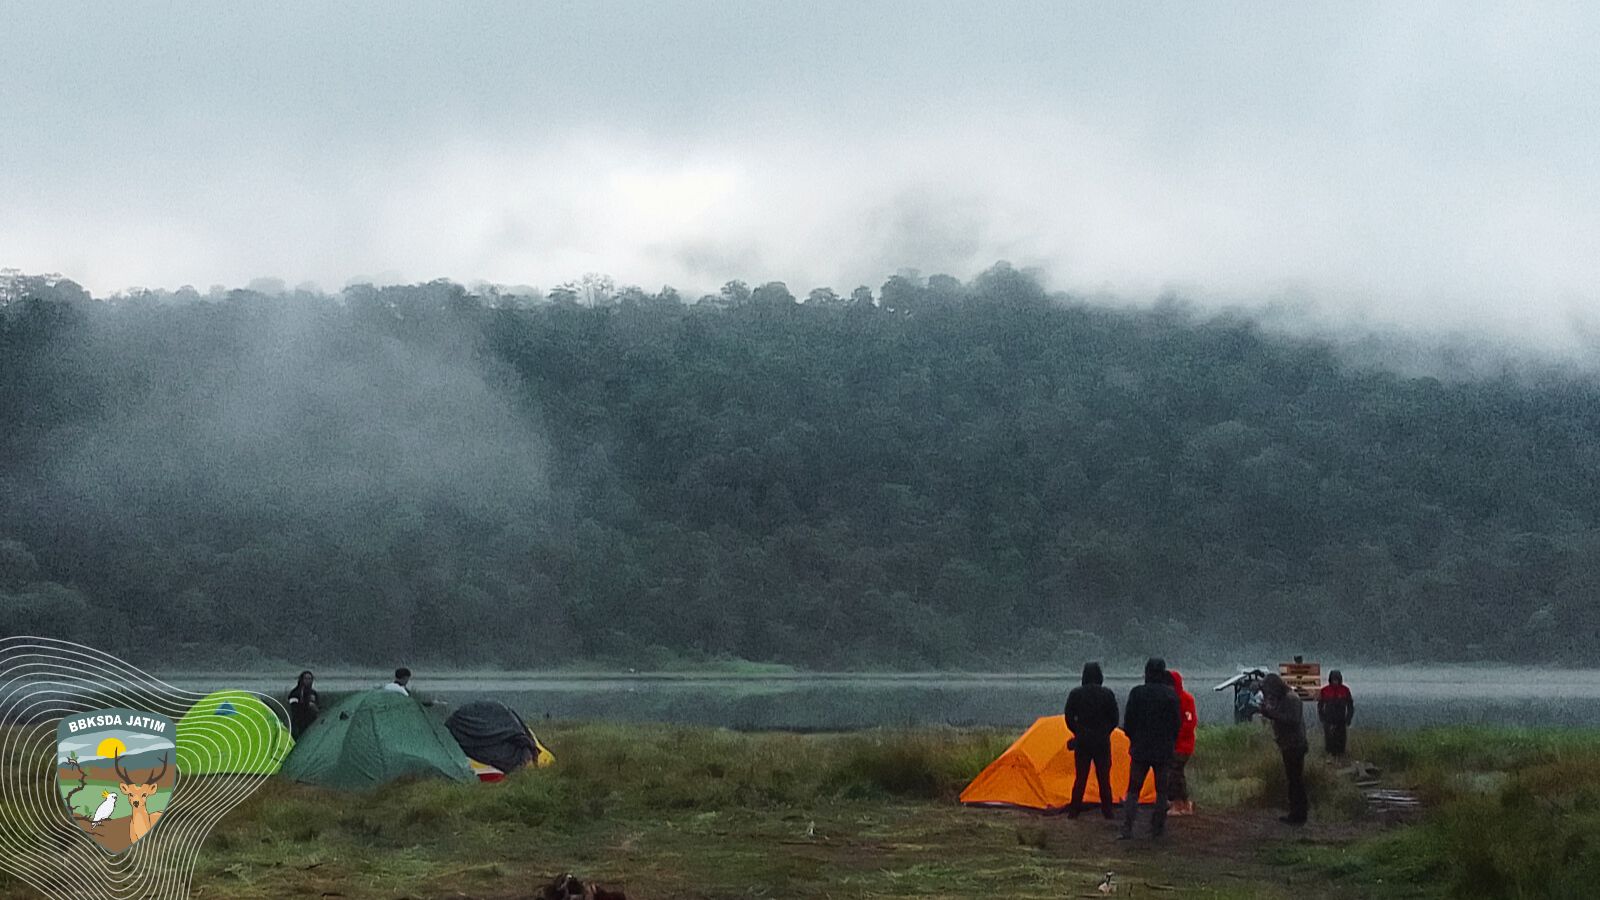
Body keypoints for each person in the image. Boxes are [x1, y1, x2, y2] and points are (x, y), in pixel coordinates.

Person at [1119, 657, 1181, 839]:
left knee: (1133, 790)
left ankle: (1127, 828)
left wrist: (1134, 738)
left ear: (1146, 673)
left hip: (1140, 749)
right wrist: (1169, 742)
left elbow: (1128, 721)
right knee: (1161, 791)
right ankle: (1158, 828)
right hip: (1163, 750)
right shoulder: (1171, 696)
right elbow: (1175, 724)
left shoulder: (1137, 693)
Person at [1063, 662, 1120, 819]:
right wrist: (1105, 732)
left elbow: (1068, 717)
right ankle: (1107, 811)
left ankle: (1074, 811)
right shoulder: (1107, 694)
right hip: (1102, 742)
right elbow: (1115, 718)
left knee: (1080, 778)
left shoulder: (1076, 694)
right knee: (1104, 778)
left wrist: (1078, 731)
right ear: (1100, 676)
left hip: (1082, 742)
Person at [1259, 673, 1309, 825]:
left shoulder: (1291, 699)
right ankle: (1296, 813)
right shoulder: (1286, 698)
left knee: (1296, 781)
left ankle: (1298, 815)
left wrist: (1271, 714)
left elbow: (1292, 720)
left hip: (1294, 745)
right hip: (1290, 744)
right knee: (1293, 781)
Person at [1166, 669, 1198, 816]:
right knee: (1177, 775)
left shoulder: (1186, 699)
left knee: (1174, 773)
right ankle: (1184, 804)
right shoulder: (1169, 699)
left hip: (1183, 745)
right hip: (1174, 744)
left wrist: (1174, 736)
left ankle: (1178, 804)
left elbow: (1190, 723)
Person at [1317, 670, 1355, 756]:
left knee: (1341, 741)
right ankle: (1330, 756)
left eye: (1337, 679)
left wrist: (1349, 718)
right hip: (1328, 719)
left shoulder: (1345, 690)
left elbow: (1350, 706)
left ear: (1340, 679)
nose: (1335, 681)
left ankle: (1341, 756)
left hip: (1341, 720)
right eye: (1333, 679)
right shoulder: (1325, 690)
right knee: (1329, 741)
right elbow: (1320, 705)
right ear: (1330, 679)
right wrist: (1322, 717)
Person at [286, 670, 319, 738]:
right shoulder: (295, 693)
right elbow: (294, 708)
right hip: (299, 723)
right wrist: (307, 705)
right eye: (306, 679)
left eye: (310, 679)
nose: (308, 681)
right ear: (302, 679)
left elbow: (318, 705)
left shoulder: (313, 693)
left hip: (312, 723)